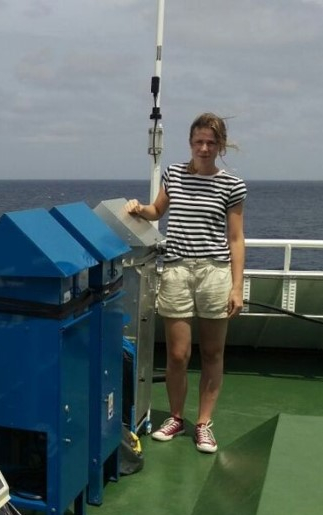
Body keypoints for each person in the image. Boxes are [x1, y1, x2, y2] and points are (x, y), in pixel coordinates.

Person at [125, 112, 246, 454]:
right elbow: (156, 211)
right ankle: (176, 417)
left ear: (220, 145)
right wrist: (138, 209)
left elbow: (236, 239)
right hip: (176, 270)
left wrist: (237, 287)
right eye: (198, 142)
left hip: (214, 273)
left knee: (212, 352)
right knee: (178, 354)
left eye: (211, 142)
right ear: (190, 143)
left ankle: (204, 424)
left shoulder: (232, 185)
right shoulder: (174, 174)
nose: (204, 148)